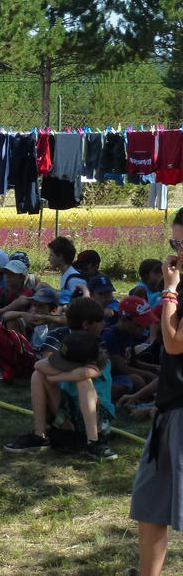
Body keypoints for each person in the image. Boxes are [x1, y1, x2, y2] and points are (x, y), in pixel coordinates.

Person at [4, 297, 116, 460]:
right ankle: (40, 435)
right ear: (86, 324)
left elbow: (85, 375)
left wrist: (57, 378)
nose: (103, 325)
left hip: (98, 418)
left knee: (83, 381)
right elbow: (39, 366)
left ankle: (93, 442)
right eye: (100, 321)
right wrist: (62, 374)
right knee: (38, 376)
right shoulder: (72, 344)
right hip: (69, 412)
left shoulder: (98, 353)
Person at [131, 237, 183, 576]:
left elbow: (174, 343)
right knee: (149, 501)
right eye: (173, 242)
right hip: (170, 407)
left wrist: (169, 291)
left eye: (181, 243)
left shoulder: (175, 288)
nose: (175, 252)